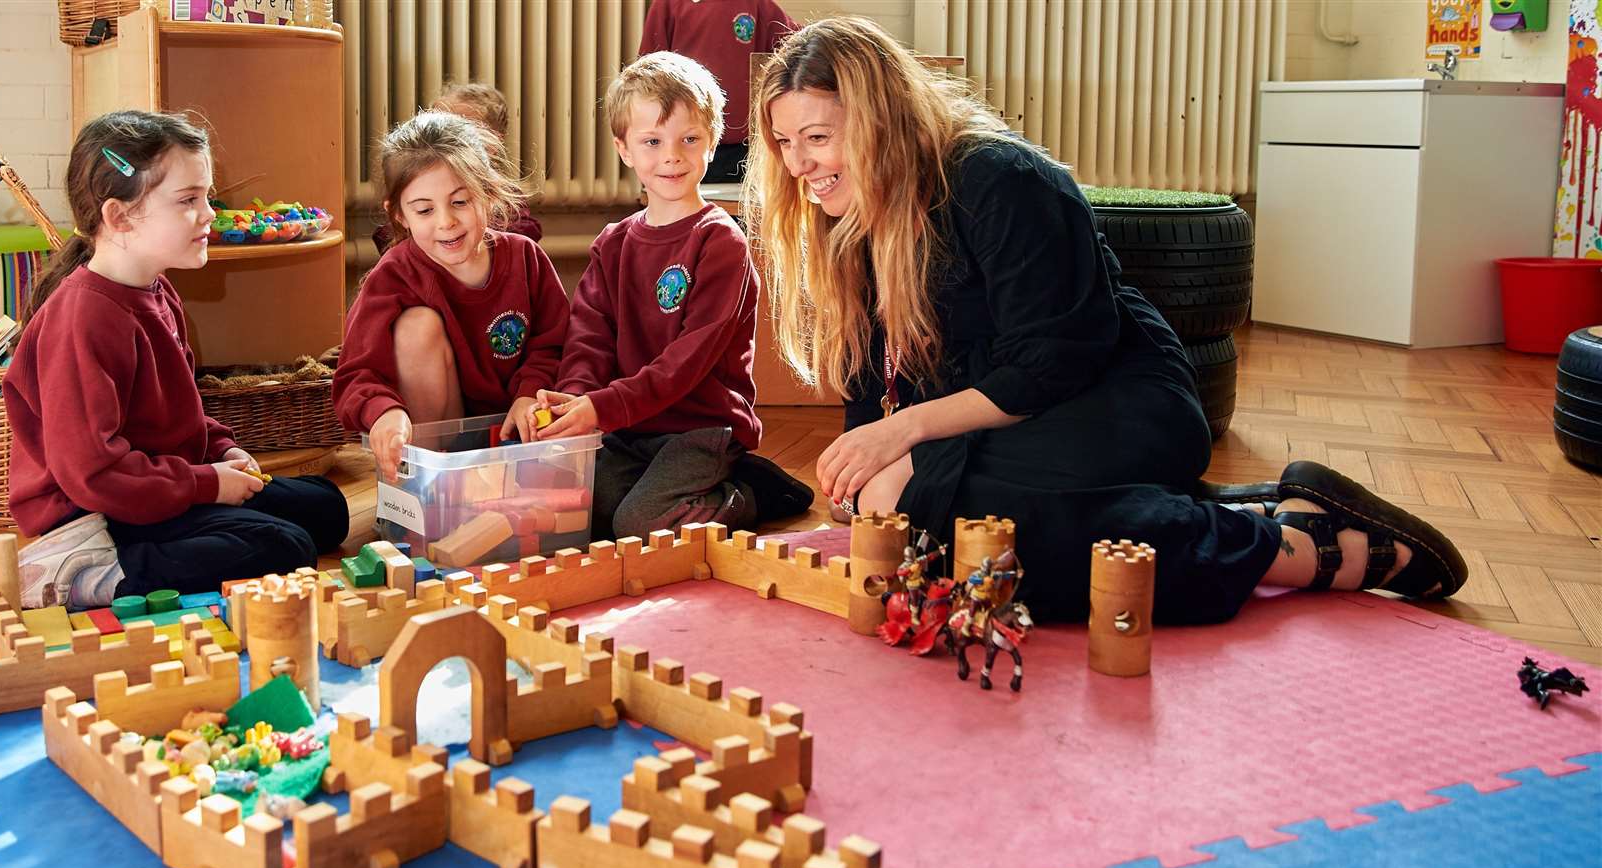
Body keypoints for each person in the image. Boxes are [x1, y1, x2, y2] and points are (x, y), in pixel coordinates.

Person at [744, 18, 1468, 623]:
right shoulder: (850, 220)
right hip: (1002, 424)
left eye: (818, 136)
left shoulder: (998, 178)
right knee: (899, 512)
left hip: (1113, 400)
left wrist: (904, 437)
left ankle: (1300, 546)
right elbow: (879, 381)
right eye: (784, 141)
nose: (799, 163)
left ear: (877, 119)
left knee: (973, 532)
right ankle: (1204, 510)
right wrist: (859, 471)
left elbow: (1050, 362)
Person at [0, 110, 348, 611]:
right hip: (96, 512)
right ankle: (88, 573)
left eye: (207, 197)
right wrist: (208, 485)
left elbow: (181, 408)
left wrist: (220, 452)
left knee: (327, 509)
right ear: (119, 217)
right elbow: (94, 474)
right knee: (285, 547)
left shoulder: (155, 288)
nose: (209, 214)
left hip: (158, 484)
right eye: (189, 201)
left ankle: (183, 527)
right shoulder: (83, 317)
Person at [537, 52, 769, 539]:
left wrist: (603, 407)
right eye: (652, 141)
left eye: (689, 139)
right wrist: (576, 404)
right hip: (630, 427)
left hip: (702, 428)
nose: (672, 156)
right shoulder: (614, 243)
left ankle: (750, 494)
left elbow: (685, 362)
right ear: (624, 149)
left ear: (712, 141)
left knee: (642, 524)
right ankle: (669, 491)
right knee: (582, 511)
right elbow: (588, 339)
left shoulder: (720, 241)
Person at [334, 110, 570, 480]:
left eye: (460, 202)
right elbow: (356, 373)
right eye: (425, 210)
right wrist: (384, 412)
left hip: (517, 434)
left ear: (488, 194)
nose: (446, 221)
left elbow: (554, 344)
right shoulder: (393, 275)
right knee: (417, 325)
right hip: (437, 438)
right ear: (398, 215)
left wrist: (530, 392)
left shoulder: (525, 258)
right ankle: (428, 486)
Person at [371, 83, 542, 253]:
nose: (446, 222)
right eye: (436, 128)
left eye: (460, 201)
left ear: (491, 141)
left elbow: (525, 235)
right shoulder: (395, 266)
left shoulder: (507, 208)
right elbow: (386, 236)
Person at [640, 0, 799, 183]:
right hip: (684, 142)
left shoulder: (756, 4)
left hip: (743, 145)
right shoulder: (668, 5)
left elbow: (796, 42)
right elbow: (648, 71)